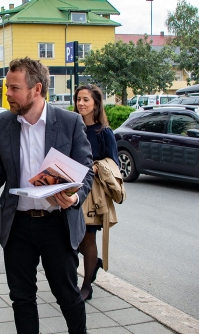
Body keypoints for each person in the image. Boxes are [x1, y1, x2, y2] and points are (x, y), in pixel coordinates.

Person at [0, 57, 94, 334]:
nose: (7, 93)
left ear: (36, 89)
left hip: (57, 223)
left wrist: (75, 197)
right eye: (7, 87)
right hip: (18, 225)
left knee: (67, 295)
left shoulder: (68, 123)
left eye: (14, 88)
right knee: (21, 298)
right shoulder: (1, 124)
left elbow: (86, 173)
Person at [73, 84, 119, 301]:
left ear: (96, 104)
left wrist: (95, 166)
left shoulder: (104, 132)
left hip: (92, 194)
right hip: (71, 187)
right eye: (78, 99)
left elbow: (114, 164)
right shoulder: (72, 126)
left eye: (85, 100)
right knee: (73, 238)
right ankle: (93, 264)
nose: (80, 103)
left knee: (88, 239)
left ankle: (86, 286)